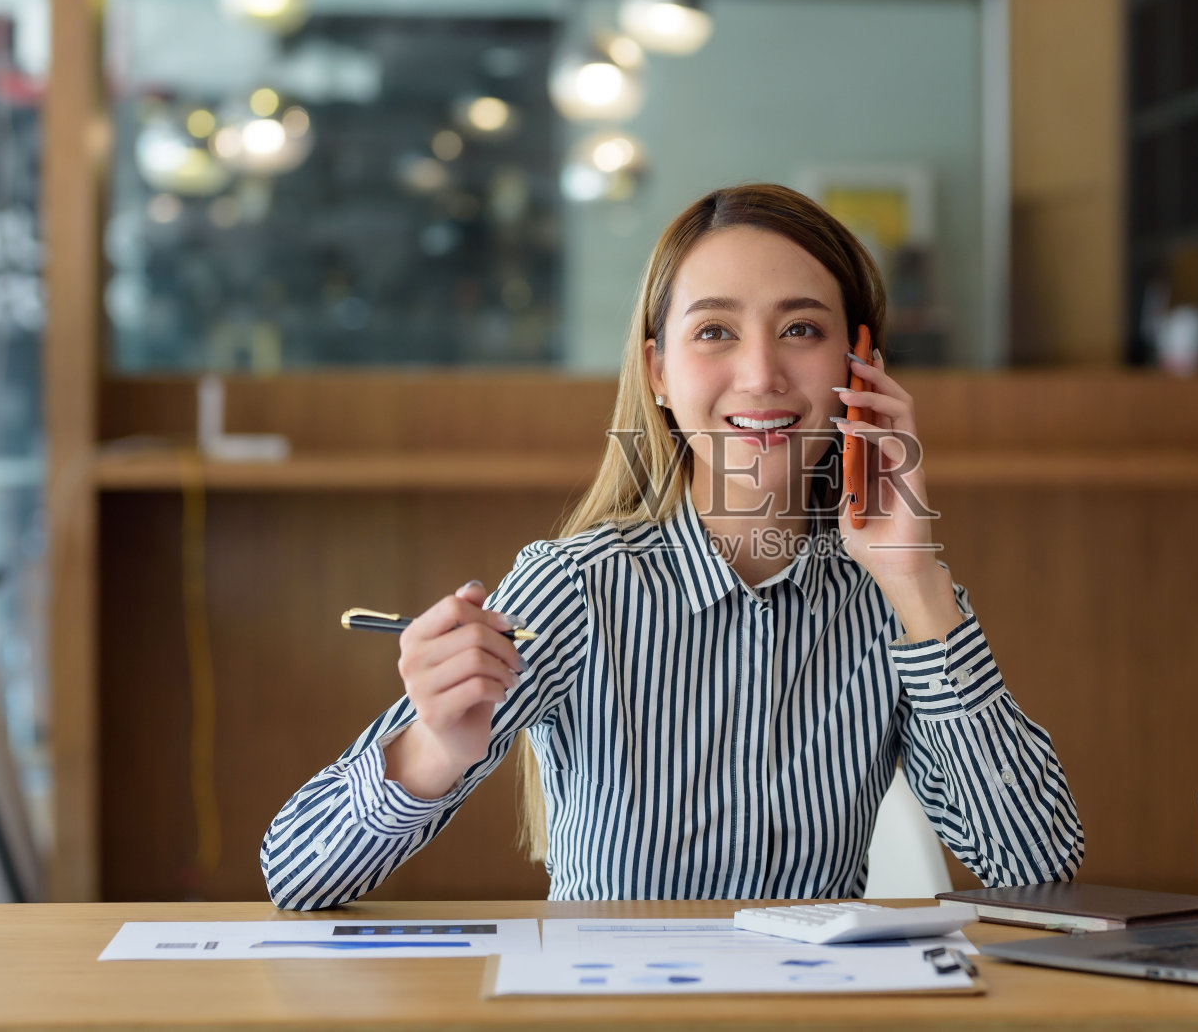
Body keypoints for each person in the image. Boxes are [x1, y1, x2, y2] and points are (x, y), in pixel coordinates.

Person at [261, 183, 1084, 909]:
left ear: (860, 366)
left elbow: (1039, 868)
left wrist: (916, 582)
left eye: (801, 328)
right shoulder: (575, 589)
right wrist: (433, 748)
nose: (760, 374)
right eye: (715, 331)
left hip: (810, 1010)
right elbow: (296, 873)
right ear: (658, 371)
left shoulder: (897, 605)